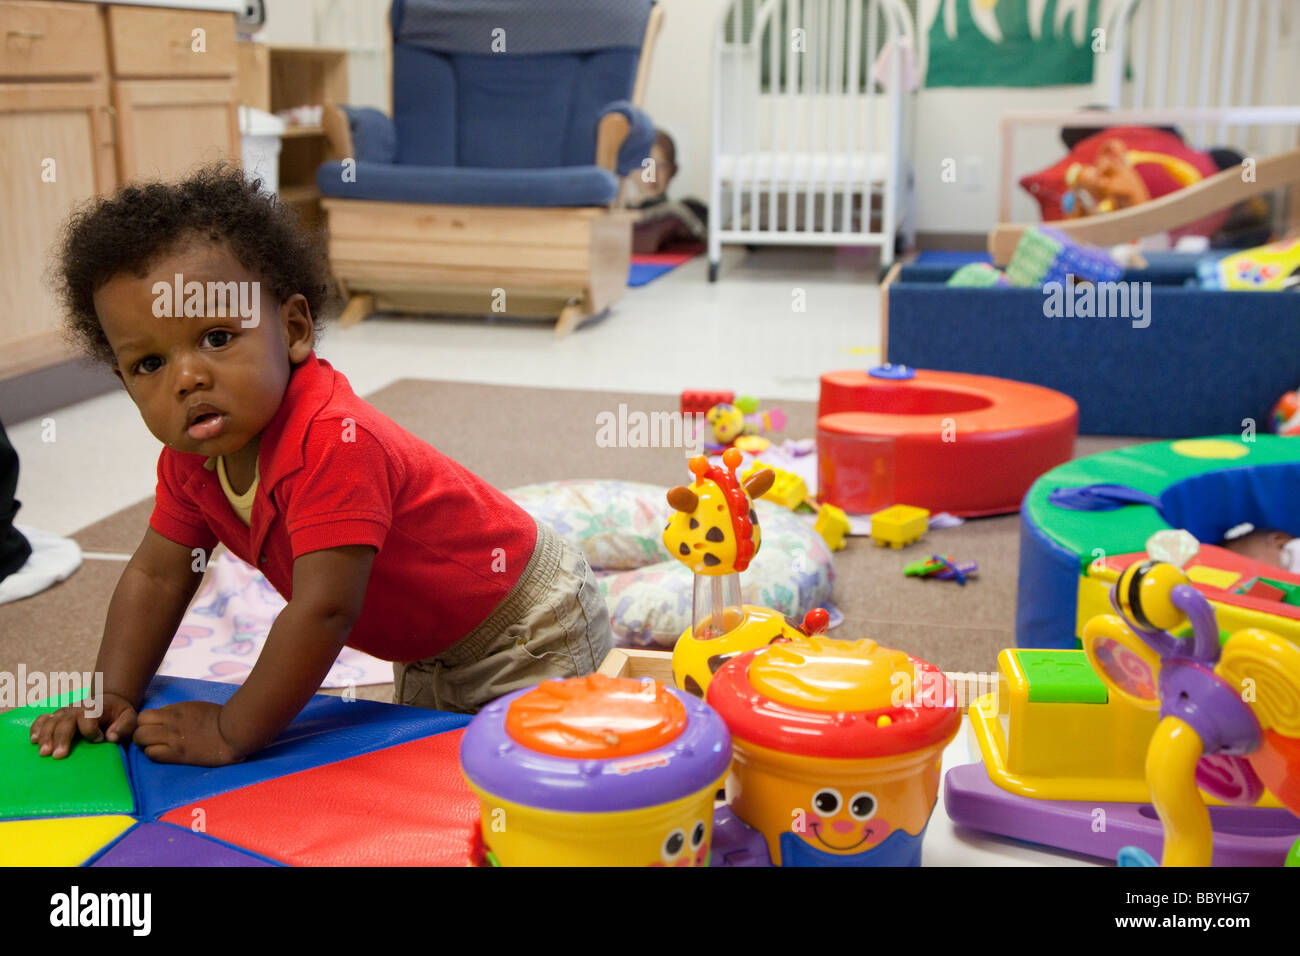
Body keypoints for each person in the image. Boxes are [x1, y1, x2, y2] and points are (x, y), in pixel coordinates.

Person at [30, 166, 612, 767]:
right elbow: (158, 576)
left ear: (294, 329)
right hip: (428, 648)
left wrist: (233, 729)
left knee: (545, 790)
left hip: (525, 629)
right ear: (124, 383)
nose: (187, 378)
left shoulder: (333, 441)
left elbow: (325, 608)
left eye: (217, 337)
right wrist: (114, 694)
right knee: (440, 797)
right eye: (149, 363)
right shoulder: (188, 462)